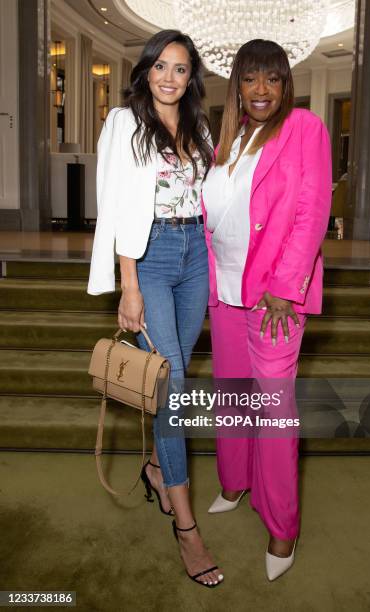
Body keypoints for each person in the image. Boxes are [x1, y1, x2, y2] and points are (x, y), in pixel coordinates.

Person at [87, 29, 224, 588]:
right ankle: (187, 527)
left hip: (196, 254)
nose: (170, 78)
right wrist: (129, 283)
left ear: (192, 78)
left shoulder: (200, 125)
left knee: (179, 374)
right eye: (161, 67)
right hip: (151, 255)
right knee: (174, 385)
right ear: (145, 71)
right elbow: (116, 200)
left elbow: (214, 192)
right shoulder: (124, 123)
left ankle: (154, 467)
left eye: (181, 69)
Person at [201, 39, 332, 581]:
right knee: (232, 394)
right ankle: (234, 481)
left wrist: (285, 285)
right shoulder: (228, 141)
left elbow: (311, 209)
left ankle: (283, 525)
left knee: (275, 412)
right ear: (237, 86)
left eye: (272, 79)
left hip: (275, 298)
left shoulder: (304, 129)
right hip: (226, 293)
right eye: (251, 79)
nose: (261, 90)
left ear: (285, 86)